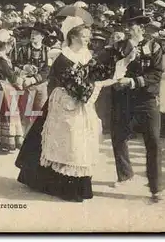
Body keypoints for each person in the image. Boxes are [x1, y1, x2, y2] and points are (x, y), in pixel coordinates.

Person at [15, 24, 115, 202]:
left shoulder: (86, 54)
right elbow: (76, 87)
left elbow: (92, 75)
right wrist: (100, 84)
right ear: (74, 37)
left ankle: (78, 185)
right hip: (64, 102)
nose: (88, 39)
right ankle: (56, 185)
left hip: (79, 103)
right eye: (85, 36)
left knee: (78, 143)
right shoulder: (63, 58)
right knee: (62, 142)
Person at [110, 7, 164, 204]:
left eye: (131, 25)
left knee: (154, 142)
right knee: (119, 137)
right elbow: (111, 69)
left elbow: (156, 74)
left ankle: (156, 188)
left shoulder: (155, 46)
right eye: (126, 25)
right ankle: (125, 175)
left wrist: (133, 82)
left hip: (147, 99)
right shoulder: (118, 47)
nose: (128, 29)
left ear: (142, 27)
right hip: (123, 99)